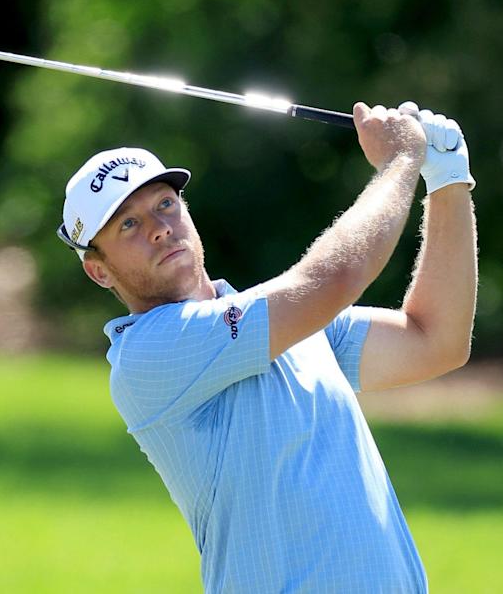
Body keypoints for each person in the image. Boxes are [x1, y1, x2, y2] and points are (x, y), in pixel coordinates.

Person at [56, 101, 477, 593]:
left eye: (165, 204)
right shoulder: (149, 353)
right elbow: (333, 278)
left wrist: (448, 181)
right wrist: (402, 160)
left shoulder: (290, 324)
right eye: (127, 224)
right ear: (99, 270)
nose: (159, 227)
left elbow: (436, 339)